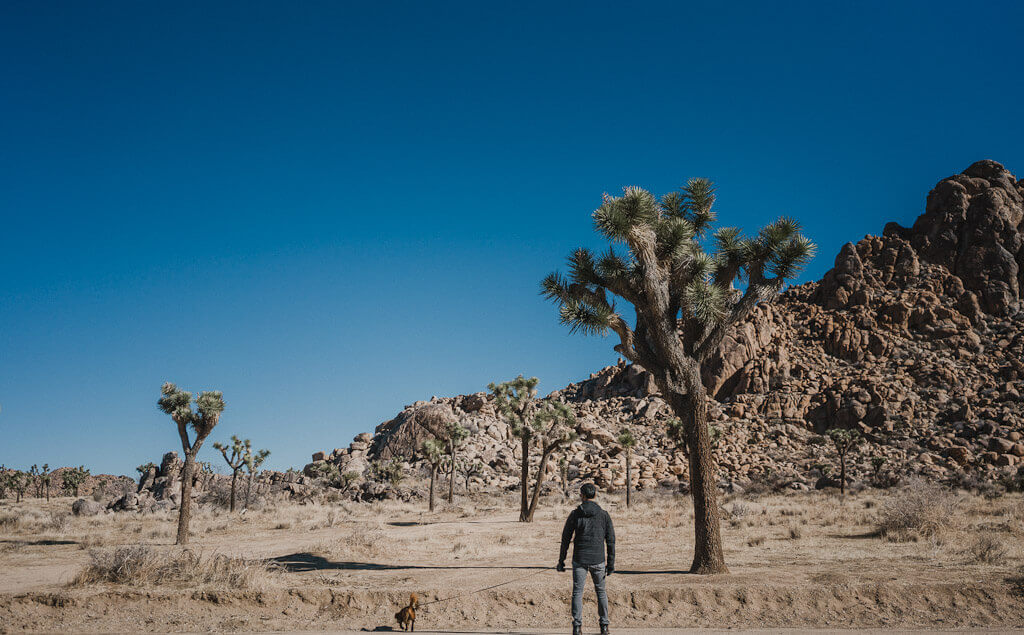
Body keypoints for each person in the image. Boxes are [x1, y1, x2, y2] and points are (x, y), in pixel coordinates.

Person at [557, 482, 615, 635]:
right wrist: (611, 563)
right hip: (598, 560)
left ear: (582, 496)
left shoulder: (575, 514)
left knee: (577, 592)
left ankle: (577, 627)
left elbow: (565, 539)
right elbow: (610, 540)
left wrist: (561, 561)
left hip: (580, 560)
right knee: (601, 592)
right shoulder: (603, 515)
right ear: (595, 495)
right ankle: (604, 626)